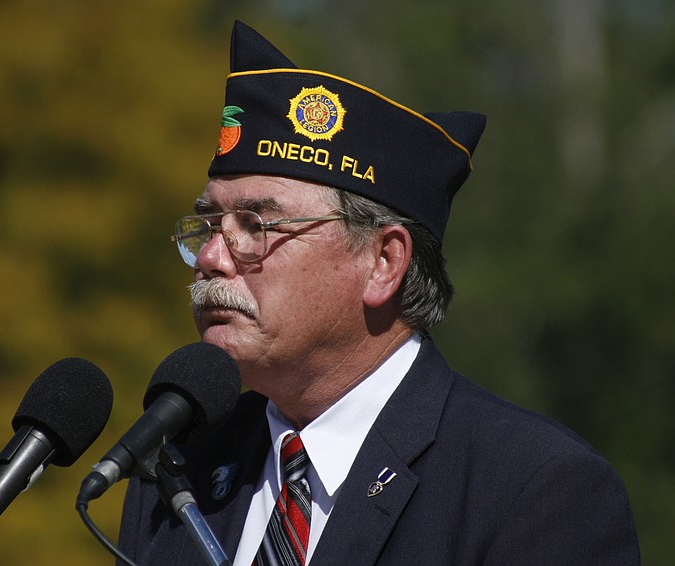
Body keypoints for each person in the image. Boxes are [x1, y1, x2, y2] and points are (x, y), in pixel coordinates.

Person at [118, 20, 640, 565]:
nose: (210, 258)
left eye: (256, 225)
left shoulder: (532, 490)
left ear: (383, 264)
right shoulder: (179, 469)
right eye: (208, 225)